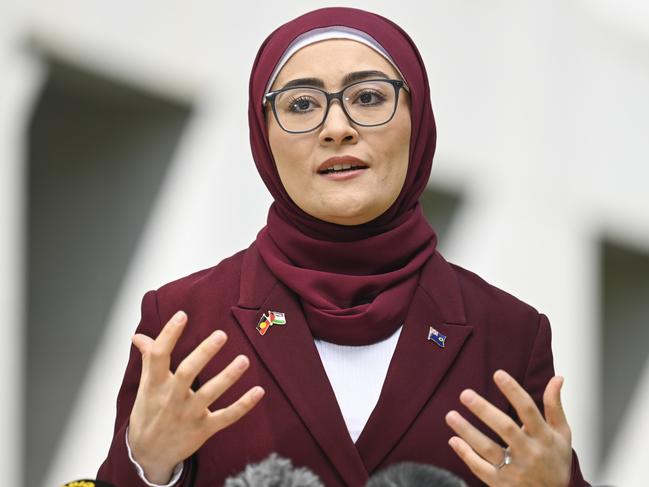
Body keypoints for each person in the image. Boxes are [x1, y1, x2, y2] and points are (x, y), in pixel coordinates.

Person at [97, 7, 589, 487]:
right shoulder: (186, 321)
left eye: (370, 97)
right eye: (302, 104)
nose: (337, 128)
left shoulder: (506, 333)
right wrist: (148, 468)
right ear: (263, 135)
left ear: (418, 119)